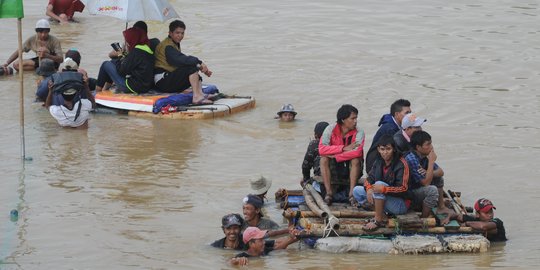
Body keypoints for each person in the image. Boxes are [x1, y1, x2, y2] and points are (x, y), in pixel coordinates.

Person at [352, 134, 410, 231]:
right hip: (382, 199)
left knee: (380, 184)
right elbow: (369, 178)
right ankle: (382, 215)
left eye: (388, 149)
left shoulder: (402, 163)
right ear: (378, 149)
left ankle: (378, 220)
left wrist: (384, 189)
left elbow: (403, 188)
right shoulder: (378, 161)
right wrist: (369, 188)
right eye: (382, 149)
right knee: (356, 190)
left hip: (400, 204)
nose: (385, 152)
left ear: (394, 149)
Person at [154, 20, 214, 104]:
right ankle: (196, 97)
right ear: (170, 33)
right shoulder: (168, 46)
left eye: (182, 33)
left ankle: (200, 94)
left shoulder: (173, 43)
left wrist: (200, 66)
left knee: (194, 70)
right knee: (191, 68)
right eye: (177, 33)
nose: (180, 36)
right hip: (162, 81)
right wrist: (199, 63)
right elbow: (180, 59)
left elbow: (183, 60)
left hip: (168, 78)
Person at [318, 104, 365, 206]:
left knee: (356, 159)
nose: (355, 121)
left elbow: (357, 152)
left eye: (356, 118)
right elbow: (321, 150)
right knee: (323, 160)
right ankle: (329, 193)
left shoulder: (359, 131)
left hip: (352, 166)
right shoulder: (330, 129)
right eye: (352, 118)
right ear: (343, 120)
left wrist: (336, 156)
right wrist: (343, 148)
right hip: (335, 166)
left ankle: (351, 194)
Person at [405, 130, 450, 218]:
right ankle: (424, 218)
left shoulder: (424, 155)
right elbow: (426, 183)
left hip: (418, 187)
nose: (431, 147)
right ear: (418, 147)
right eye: (428, 144)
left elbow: (441, 172)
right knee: (432, 190)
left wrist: (428, 172)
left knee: (439, 178)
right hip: (409, 193)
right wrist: (431, 162)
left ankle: (441, 207)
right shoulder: (411, 159)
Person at [95, 27, 154, 94]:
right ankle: (106, 89)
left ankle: (97, 91)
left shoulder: (135, 52)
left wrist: (119, 55)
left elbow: (122, 71)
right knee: (112, 62)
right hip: (145, 86)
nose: (127, 42)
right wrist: (126, 54)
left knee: (105, 64)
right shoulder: (146, 50)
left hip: (132, 87)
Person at [365, 99, 411, 171]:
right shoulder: (389, 128)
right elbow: (397, 151)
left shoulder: (400, 125)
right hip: (375, 165)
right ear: (396, 114)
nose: (410, 116)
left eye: (410, 113)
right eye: (407, 113)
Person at [229, 227, 300, 266]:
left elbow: (278, 248)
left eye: (263, 239)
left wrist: (293, 238)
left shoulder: (264, 250)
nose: (264, 242)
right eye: (260, 240)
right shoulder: (243, 255)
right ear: (251, 244)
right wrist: (237, 261)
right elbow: (230, 262)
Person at [301, 121, 329, 186]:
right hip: (339, 180)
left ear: (315, 135)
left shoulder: (314, 144)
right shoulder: (337, 143)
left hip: (321, 182)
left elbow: (305, 166)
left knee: (302, 181)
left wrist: (306, 180)